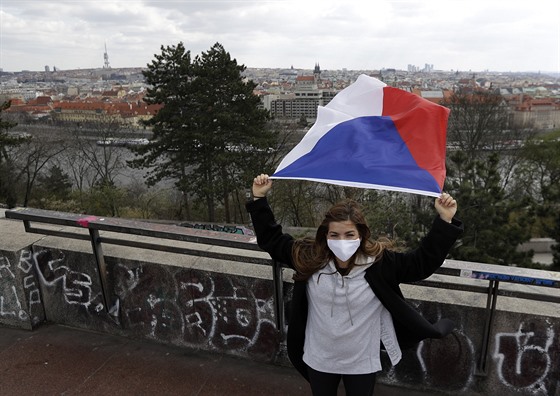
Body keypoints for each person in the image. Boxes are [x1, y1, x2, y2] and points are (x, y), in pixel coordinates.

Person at [246, 174, 464, 396]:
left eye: (349, 234)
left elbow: (421, 263)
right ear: (325, 236)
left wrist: (444, 221)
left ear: (361, 235)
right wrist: (259, 198)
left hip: (361, 361)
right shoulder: (310, 259)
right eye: (335, 235)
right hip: (319, 358)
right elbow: (272, 240)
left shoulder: (380, 264)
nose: (342, 241)